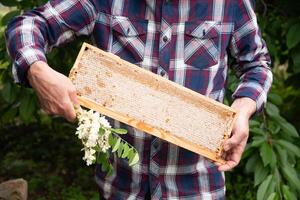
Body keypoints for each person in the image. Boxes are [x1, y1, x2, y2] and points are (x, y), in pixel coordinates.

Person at [5, 0, 272, 199]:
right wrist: (36, 70)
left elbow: (257, 64)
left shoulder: (230, 4)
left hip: (197, 188)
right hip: (120, 188)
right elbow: (30, 24)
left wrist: (244, 107)